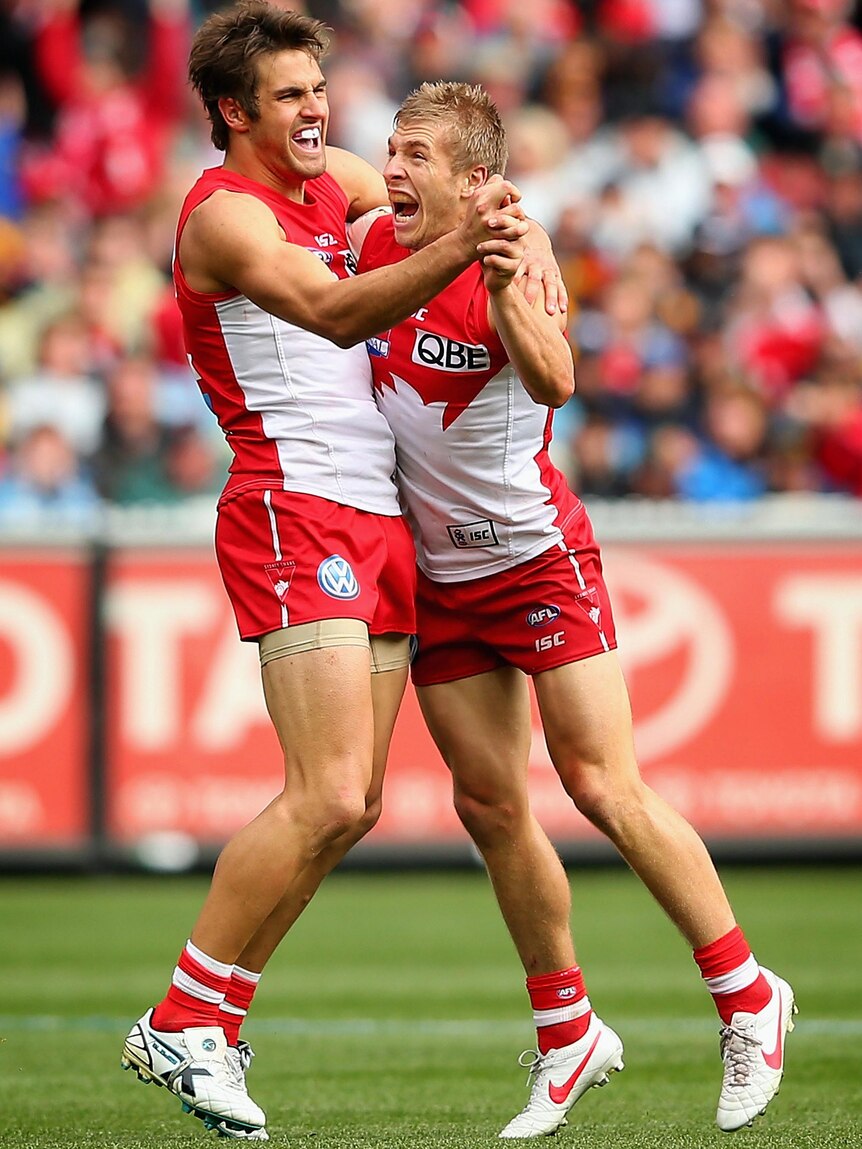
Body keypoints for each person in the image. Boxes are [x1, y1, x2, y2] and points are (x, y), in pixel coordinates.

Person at [351, 81, 796, 1139]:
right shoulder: (374, 239)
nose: (394, 168)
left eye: (416, 154)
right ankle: (567, 1034)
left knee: (603, 785)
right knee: (490, 807)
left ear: (476, 181)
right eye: (392, 150)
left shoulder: (516, 256)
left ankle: (746, 997)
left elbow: (554, 379)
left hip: (536, 562)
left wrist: (506, 277)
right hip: (441, 580)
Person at [118, 4, 528, 1141]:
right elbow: (338, 311)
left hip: (378, 516)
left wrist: (500, 219)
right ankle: (179, 1018)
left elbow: (432, 194)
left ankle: (212, 1021)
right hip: (291, 508)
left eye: (318, 88)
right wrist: (467, 244)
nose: (317, 112)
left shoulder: (333, 173)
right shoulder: (225, 219)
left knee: (353, 807)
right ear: (231, 114)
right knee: (325, 792)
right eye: (290, 96)